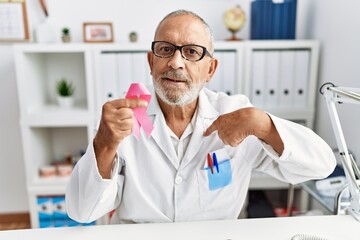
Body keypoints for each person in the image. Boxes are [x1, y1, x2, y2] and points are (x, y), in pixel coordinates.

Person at [66, 9, 336, 224]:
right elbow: (82, 211)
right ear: (151, 62)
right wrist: (104, 143)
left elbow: (321, 166)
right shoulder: (123, 118)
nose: (175, 62)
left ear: (211, 69)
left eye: (192, 52)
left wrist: (261, 123)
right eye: (165, 49)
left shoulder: (235, 114)